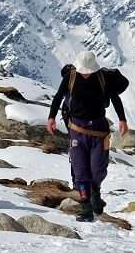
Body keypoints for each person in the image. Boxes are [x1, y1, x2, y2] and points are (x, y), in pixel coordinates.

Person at [47, 51, 129, 222]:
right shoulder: (70, 77)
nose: (85, 73)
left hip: (99, 130)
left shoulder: (102, 77)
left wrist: (122, 119)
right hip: (77, 129)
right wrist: (51, 117)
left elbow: (115, 98)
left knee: (98, 169)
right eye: (83, 70)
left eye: (88, 70)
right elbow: (58, 97)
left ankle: (95, 193)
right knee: (80, 169)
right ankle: (85, 206)